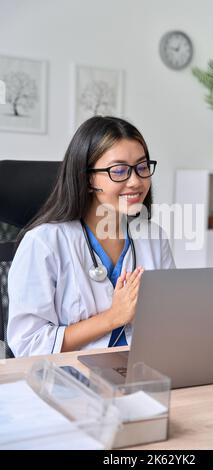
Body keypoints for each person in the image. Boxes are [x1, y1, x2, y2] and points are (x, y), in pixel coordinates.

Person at [7, 116, 175, 356]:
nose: (136, 181)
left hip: (144, 369)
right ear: (87, 179)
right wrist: (113, 318)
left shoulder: (153, 238)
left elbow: (171, 319)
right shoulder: (44, 243)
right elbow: (28, 343)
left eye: (142, 167)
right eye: (119, 171)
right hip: (68, 379)